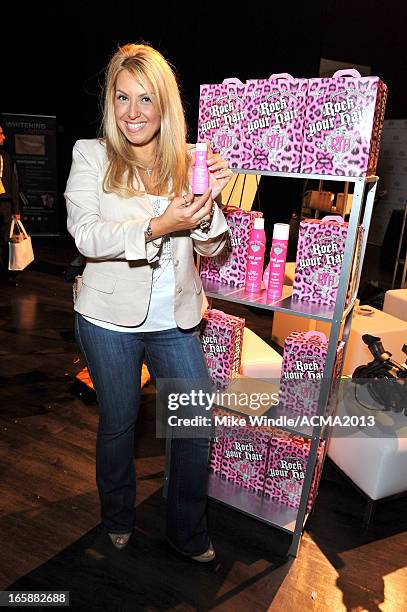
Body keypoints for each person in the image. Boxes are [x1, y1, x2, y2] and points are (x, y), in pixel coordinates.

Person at [64, 43, 232, 561]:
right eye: (121, 97)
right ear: (110, 103)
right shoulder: (90, 155)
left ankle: (186, 531)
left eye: (145, 99)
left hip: (175, 320)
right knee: (119, 422)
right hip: (107, 320)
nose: (132, 112)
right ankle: (117, 514)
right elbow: (87, 235)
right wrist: (163, 223)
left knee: (194, 425)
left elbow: (213, 248)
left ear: (165, 105)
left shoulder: (188, 163)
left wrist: (204, 212)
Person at [0, 124, 21, 287]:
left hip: (5, 204)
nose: (4, 137)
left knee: (5, 241)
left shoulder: (6, 156)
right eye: (0, 134)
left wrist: (16, 209)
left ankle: (6, 275)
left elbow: (14, 184)